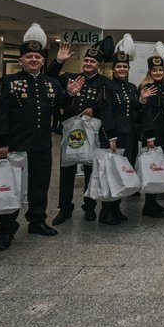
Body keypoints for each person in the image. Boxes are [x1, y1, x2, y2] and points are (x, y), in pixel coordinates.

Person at [0, 24, 82, 251]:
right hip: (16, 144)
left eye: (37, 57)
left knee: (40, 184)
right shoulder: (9, 82)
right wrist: (1, 142)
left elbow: (60, 104)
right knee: (12, 186)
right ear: (21, 60)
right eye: (29, 56)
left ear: (42, 61)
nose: (33, 60)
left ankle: (37, 221)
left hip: (41, 143)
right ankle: (7, 229)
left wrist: (70, 94)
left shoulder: (51, 83)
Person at [46, 43, 111, 225]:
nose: (88, 63)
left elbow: (107, 107)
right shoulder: (70, 77)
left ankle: (89, 207)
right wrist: (59, 61)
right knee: (67, 170)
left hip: (92, 134)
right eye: (86, 60)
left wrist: (94, 110)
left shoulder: (104, 82)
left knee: (90, 170)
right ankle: (64, 209)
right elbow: (48, 79)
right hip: (70, 133)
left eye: (92, 61)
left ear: (99, 64)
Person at [101, 36, 140, 225]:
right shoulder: (107, 86)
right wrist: (111, 136)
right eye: (119, 67)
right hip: (114, 137)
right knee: (111, 173)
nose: (122, 69)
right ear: (113, 69)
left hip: (129, 136)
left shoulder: (132, 88)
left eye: (125, 67)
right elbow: (106, 112)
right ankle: (106, 211)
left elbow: (135, 112)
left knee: (123, 172)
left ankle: (116, 209)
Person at [137, 51, 164, 218]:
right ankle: (148, 205)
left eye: (160, 70)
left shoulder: (162, 86)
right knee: (152, 168)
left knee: (158, 167)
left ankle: (153, 202)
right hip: (152, 134)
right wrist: (149, 137)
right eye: (154, 70)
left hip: (162, 132)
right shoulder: (147, 87)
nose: (158, 72)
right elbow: (146, 114)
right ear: (149, 72)